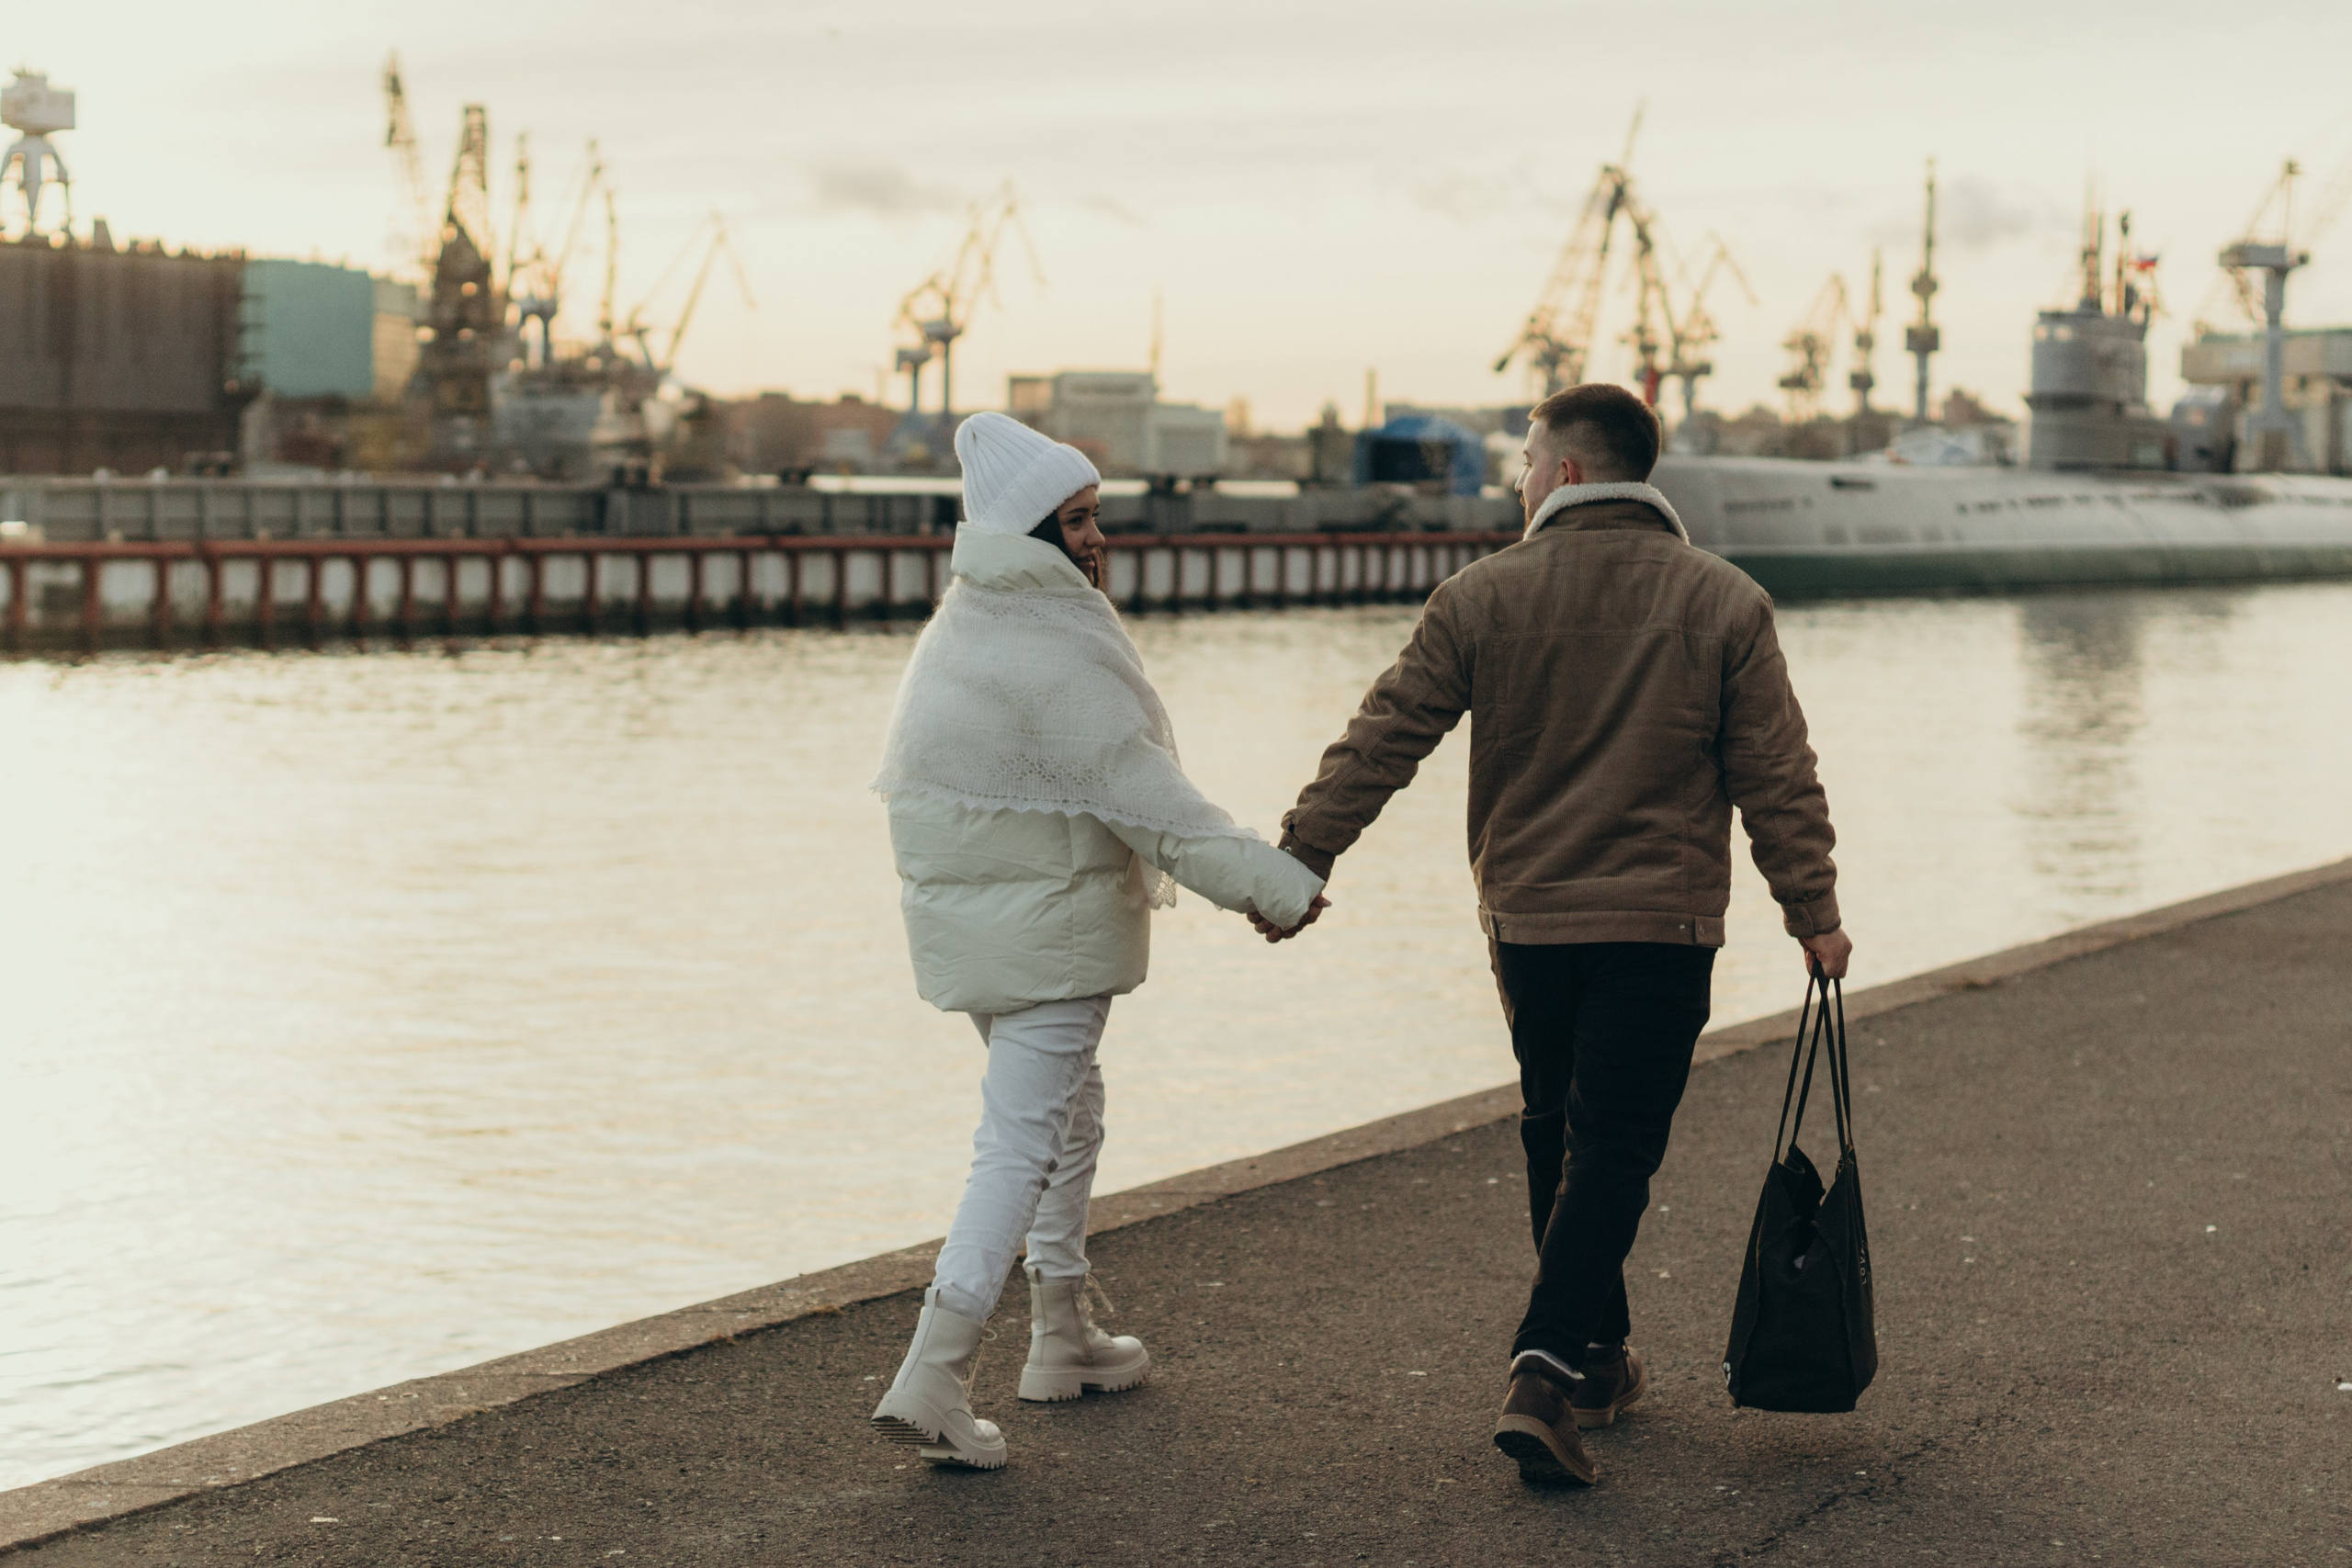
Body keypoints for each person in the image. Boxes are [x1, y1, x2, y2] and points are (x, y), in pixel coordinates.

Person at [1258, 382, 1849, 1486]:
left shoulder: (1481, 595)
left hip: (1527, 920)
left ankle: (1601, 1361)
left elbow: (1385, 734)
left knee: (1557, 1130)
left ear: (1569, 474)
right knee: (1613, 1147)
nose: (1519, 478)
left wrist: (1300, 857)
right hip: (1661, 925)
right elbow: (1778, 776)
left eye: (1526, 459)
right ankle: (1544, 1370)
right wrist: (1810, 913)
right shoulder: (1724, 601)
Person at [866, 411, 1329, 1470]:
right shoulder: (1051, 643)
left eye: (1095, 517)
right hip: (1052, 931)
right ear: (1028, 533)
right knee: (1019, 1141)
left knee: (1072, 1114)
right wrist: (1278, 886)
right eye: (1075, 521)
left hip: (982, 932)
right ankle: (934, 1369)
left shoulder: (965, 626)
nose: (1095, 540)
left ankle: (1061, 1335)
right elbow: (1147, 800)